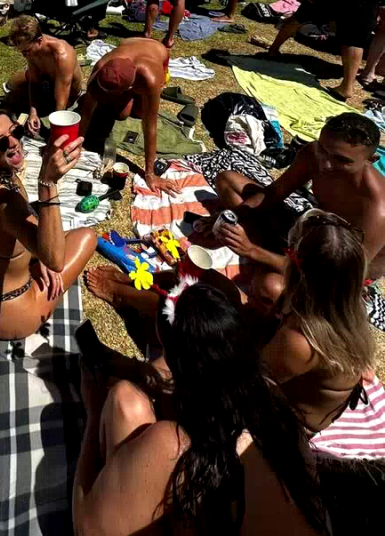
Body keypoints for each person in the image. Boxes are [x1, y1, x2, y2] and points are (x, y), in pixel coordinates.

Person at [74, 279, 328, 536]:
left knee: (124, 402)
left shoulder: (174, 446)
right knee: (127, 401)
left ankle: (114, 498)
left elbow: (86, 529)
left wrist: (94, 412)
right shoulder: (273, 402)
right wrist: (134, 368)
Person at [212, 114, 385, 315]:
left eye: (342, 160)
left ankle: (267, 253)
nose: (326, 164)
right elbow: (274, 193)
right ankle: (270, 250)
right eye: (323, 149)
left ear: (370, 160)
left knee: (271, 288)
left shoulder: (377, 208)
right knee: (228, 181)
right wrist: (232, 217)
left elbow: (333, 275)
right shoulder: (313, 154)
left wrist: (252, 250)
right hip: (311, 233)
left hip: (339, 270)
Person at [0, 105, 97, 339]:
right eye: (1, 142)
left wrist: (37, 253)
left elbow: (13, 226)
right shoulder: (7, 200)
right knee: (86, 237)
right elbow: (55, 261)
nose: (13, 143)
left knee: (45, 237)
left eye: (16, 132)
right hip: (8, 312)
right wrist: (47, 184)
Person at [259, 209, 373, 434]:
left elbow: (248, 384)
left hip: (292, 423)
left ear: (297, 269)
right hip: (306, 391)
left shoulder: (300, 340)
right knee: (265, 286)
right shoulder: (345, 304)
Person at [78, 39, 176, 195]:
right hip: (131, 44)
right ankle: (124, 97)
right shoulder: (102, 66)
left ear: (130, 87)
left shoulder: (151, 78)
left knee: (141, 113)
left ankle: (134, 96)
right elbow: (86, 111)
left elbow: (149, 127)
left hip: (157, 51)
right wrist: (78, 143)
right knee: (121, 114)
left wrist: (150, 174)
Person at [4, 16, 82, 133]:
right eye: (22, 51)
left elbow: (62, 98)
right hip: (48, 83)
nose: (25, 55)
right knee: (13, 84)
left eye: (27, 50)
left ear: (39, 40)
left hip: (66, 93)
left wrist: (55, 127)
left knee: (14, 100)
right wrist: (33, 112)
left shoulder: (62, 55)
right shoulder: (32, 50)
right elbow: (34, 82)